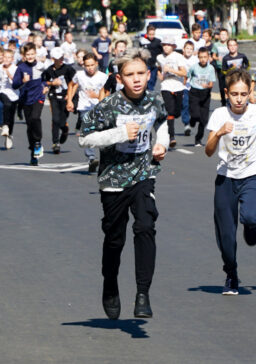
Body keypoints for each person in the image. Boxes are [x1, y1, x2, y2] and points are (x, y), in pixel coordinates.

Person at [78, 48, 169, 319]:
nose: (137, 79)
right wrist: (119, 133)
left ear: (149, 75)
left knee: (145, 226)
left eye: (141, 73)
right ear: (120, 78)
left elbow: (162, 123)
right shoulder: (109, 106)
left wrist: (161, 143)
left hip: (143, 175)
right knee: (114, 239)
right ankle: (110, 285)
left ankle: (143, 294)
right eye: (130, 75)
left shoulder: (154, 100)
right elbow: (84, 138)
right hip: (113, 180)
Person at [205, 69, 256, 295]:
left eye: (244, 94)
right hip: (226, 178)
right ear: (226, 93)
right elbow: (209, 151)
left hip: (252, 174)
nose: (239, 99)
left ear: (251, 93)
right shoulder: (219, 115)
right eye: (234, 94)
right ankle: (231, 274)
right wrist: (218, 134)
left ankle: (251, 225)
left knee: (250, 215)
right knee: (225, 235)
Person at [66, 53, 108, 172]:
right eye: (87, 65)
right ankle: (91, 158)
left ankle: (105, 159)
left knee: (100, 134)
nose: (90, 68)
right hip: (84, 107)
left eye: (92, 65)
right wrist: (69, 100)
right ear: (83, 65)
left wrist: (96, 96)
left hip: (99, 107)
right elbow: (71, 85)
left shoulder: (102, 77)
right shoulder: (79, 75)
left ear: (96, 64)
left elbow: (107, 92)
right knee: (88, 131)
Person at [12, 42, 48, 165]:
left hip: (39, 96)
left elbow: (45, 79)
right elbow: (14, 85)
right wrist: (23, 80)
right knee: (30, 126)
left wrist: (45, 86)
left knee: (35, 118)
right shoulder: (21, 68)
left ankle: (37, 142)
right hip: (26, 99)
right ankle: (33, 152)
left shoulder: (41, 66)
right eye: (28, 54)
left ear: (35, 53)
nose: (30, 56)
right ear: (24, 55)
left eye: (32, 54)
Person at [42, 47, 75, 154]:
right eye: (57, 58)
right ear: (53, 59)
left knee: (62, 120)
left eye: (61, 57)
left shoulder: (69, 69)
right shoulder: (49, 70)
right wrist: (51, 84)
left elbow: (75, 83)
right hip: (54, 96)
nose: (60, 60)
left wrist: (70, 96)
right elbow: (44, 81)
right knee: (55, 119)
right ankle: (55, 143)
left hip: (66, 96)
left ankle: (64, 129)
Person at [156, 37, 187, 147]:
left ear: (173, 46)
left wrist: (171, 70)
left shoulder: (178, 57)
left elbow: (184, 73)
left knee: (176, 112)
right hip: (166, 86)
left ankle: (171, 129)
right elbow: (159, 69)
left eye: (168, 45)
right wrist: (160, 75)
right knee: (169, 111)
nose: (166, 47)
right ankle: (171, 136)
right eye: (164, 45)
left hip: (178, 86)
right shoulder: (159, 57)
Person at [187, 47, 215, 146]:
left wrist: (207, 86)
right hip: (194, 92)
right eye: (201, 57)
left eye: (205, 57)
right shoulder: (194, 67)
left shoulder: (211, 68)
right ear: (198, 58)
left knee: (204, 120)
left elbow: (211, 84)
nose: (203, 59)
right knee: (195, 115)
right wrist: (185, 85)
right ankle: (191, 122)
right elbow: (188, 75)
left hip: (206, 94)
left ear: (208, 57)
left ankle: (198, 139)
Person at [0, 48, 19, 150]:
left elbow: (16, 82)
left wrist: (9, 74)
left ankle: (9, 136)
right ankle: (4, 125)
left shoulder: (16, 68)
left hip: (14, 93)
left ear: (12, 59)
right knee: (7, 104)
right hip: (3, 91)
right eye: (5, 57)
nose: (7, 59)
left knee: (12, 115)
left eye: (9, 57)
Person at [181, 40, 198, 136]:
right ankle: (186, 124)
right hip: (183, 86)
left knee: (194, 105)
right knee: (185, 104)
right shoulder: (180, 58)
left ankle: (193, 119)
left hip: (194, 86)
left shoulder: (195, 59)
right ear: (183, 49)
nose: (189, 50)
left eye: (191, 49)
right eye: (187, 48)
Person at [140, 25, 163, 91]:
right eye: (150, 34)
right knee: (147, 80)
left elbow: (161, 52)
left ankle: (150, 93)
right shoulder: (143, 41)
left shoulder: (158, 42)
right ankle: (148, 93)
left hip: (154, 64)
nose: (151, 36)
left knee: (153, 80)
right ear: (147, 34)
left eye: (153, 34)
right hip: (146, 64)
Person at [212, 29, 230, 106]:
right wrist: (217, 58)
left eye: (224, 34)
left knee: (229, 85)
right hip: (220, 68)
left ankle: (229, 100)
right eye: (221, 35)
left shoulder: (230, 44)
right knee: (222, 86)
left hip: (229, 68)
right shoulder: (216, 45)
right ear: (219, 36)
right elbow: (213, 56)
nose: (223, 36)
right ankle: (223, 101)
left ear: (227, 36)